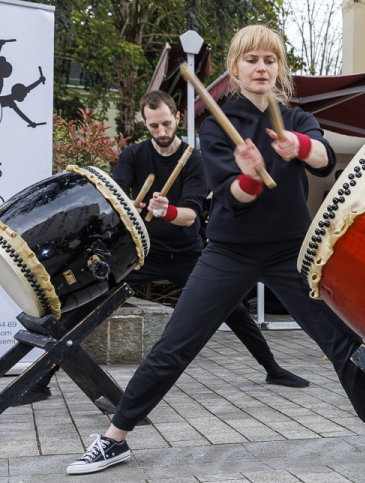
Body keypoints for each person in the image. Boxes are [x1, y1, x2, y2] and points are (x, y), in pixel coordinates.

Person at [66, 25, 365, 474]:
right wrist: (250, 174)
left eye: (270, 59)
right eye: (252, 60)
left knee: (341, 341)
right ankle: (115, 438)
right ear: (236, 68)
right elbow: (231, 199)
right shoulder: (215, 126)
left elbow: (326, 161)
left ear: (279, 68)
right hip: (230, 251)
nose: (261, 67)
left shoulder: (296, 117)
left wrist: (298, 146)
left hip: (293, 250)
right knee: (176, 344)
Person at [17, 90, 309, 406]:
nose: (161, 132)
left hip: (189, 254)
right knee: (92, 306)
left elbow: (191, 217)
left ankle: (273, 369)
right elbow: (117, 205)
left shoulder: (195, 159)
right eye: (154, 126)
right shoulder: (133, 156)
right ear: (145, 123)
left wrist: (166, 210)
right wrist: (130, 206)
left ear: (177, 119)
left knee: (235, 310)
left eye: (166, 124)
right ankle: (39, 381)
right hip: (143, 256)